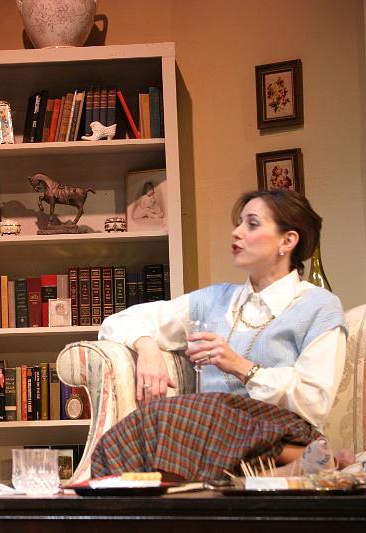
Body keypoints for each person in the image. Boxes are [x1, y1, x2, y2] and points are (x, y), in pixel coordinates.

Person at [91, 189, 347, 481]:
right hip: (211, 435)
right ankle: (279, 469)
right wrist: (146, 346)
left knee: (197, 410)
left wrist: (241, 367)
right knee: (131, 434)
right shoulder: (213, 301)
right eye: (238, 223)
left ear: (287, 241)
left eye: (252, 224)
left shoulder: (319, 306)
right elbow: (117, 322)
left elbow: (314, 401)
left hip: (282, 429)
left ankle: (289, 460)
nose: (236, 232)